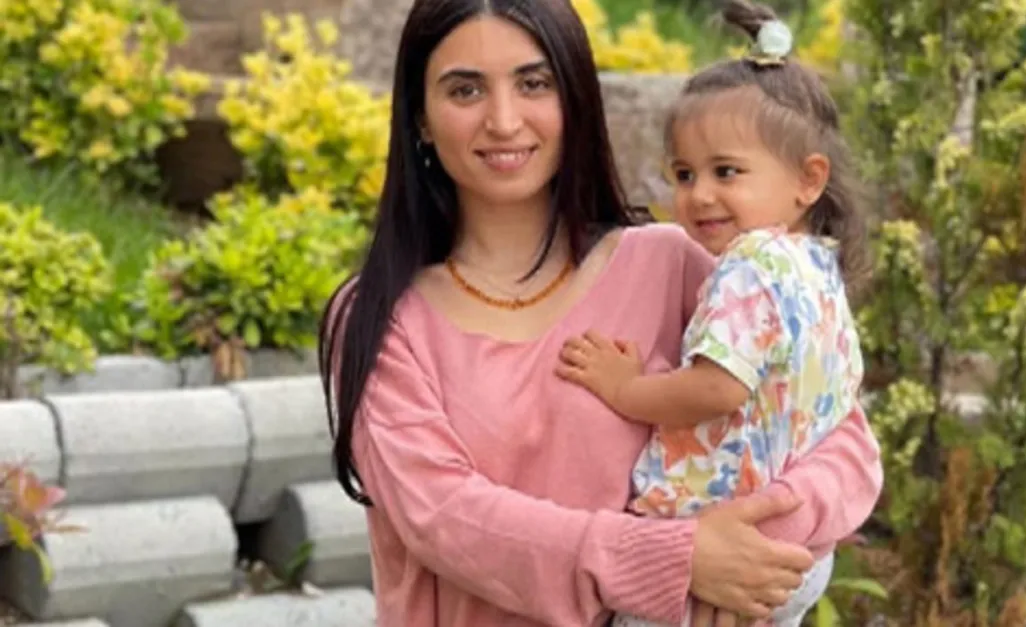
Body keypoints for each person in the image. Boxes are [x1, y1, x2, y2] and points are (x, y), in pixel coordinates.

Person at [317, 0, 883, 626]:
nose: (503, 121)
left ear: (575, 100)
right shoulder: (381, 320)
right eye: (465, 90)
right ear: (421, 118)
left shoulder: (672, 265)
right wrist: (673, 561)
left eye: (534, 83)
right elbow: (444, 516)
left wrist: (750, 552)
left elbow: (836, 436)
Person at [555, 1, 871, 625]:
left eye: (726, 171)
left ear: (808, 181)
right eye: (684, 174)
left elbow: (717, 388)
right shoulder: (817, 266)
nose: (699, 195)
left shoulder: (749, 266)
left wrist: (625, 388)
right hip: (800, 546)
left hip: (724, 540)